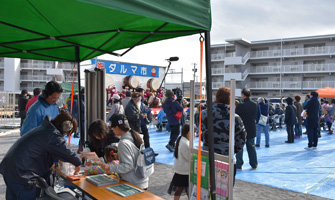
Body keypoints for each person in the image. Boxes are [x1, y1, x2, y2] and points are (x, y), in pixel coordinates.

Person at [0, 111, 81, 200]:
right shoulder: (53, 135)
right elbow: (70, 155)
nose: (67, 134)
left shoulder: (45, 129)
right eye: (69, 131)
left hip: (11, 169)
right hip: (22, 174)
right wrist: (81, 161)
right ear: (66, 126)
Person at [202, 87, 246, 185]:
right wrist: (232, 151)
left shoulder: (205, 114)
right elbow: (242, 139)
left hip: (207, 157)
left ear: (216, 98)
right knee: (225, 191)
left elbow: (197, 124)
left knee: (207, 188)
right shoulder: (235, 117)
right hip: (226, 158)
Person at [95, 114, 149, 189]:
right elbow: (134, 158)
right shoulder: (136, 136)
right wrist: (120, 156)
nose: (113, 131)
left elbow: (128, 166)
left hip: (133, 183)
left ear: (117, 127)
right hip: (142, 179)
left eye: (113, 128)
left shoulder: (123, 143)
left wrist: (109, 167)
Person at [168, 124, 194, 199]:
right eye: (194, 132)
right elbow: (189, 158)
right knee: (185, 189)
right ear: (188, 133)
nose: (195, 134)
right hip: (184, 171)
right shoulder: (186, 144)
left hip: (180, 169)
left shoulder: (182, 140)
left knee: (180, 189)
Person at [236, 88, 258, 170]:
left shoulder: (240, 105)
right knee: (251, 147)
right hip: (252, 128)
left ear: (243, 95)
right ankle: (254, 164)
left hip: (242, 128)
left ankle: (239, 164)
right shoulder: (254, 104)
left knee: (239, 148)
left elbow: (236, 116)